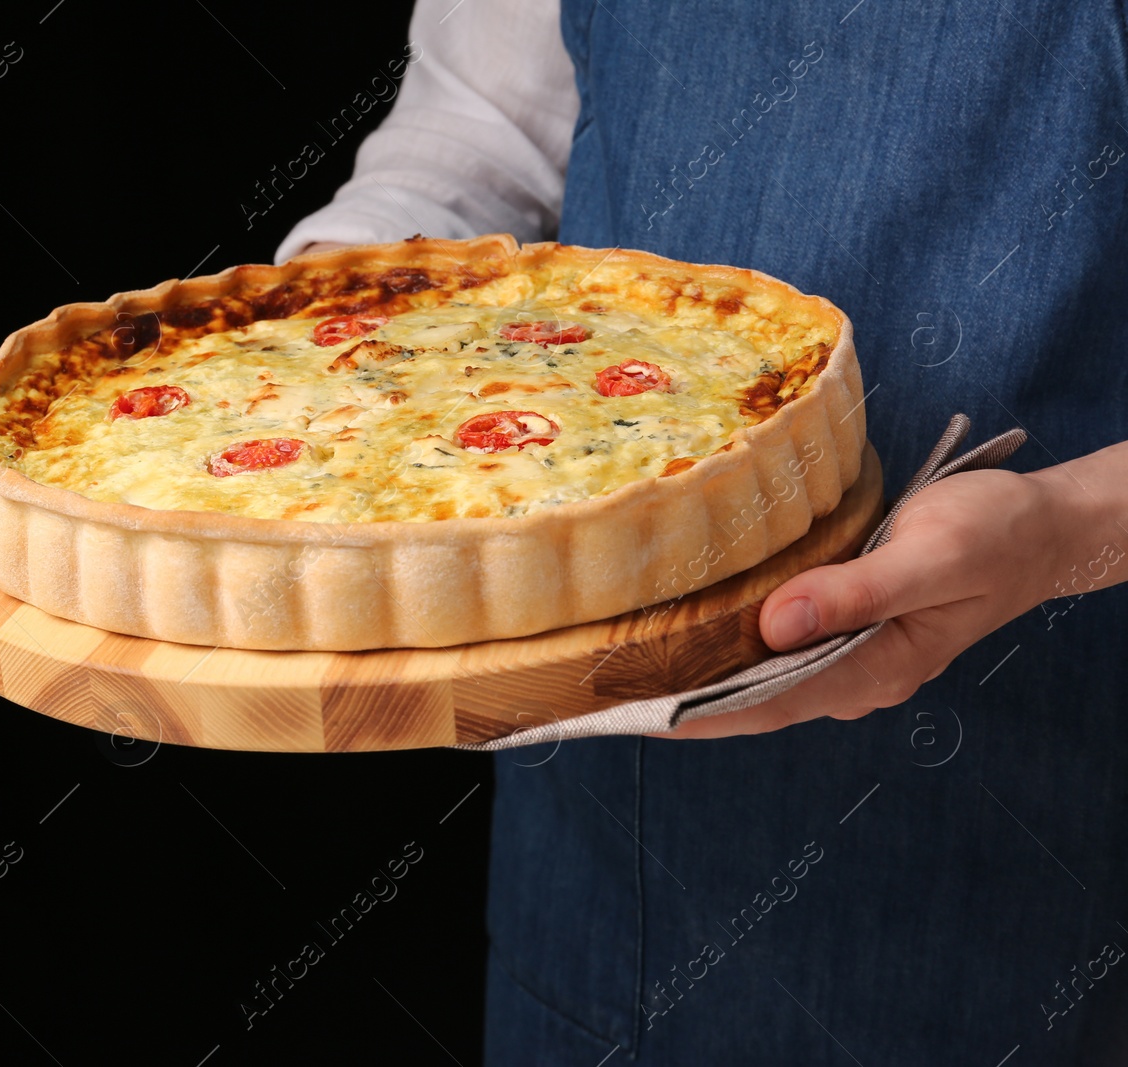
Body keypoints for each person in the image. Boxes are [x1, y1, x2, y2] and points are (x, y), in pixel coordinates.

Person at [277, 1, 1128, 1062]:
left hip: (1030, 802)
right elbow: (481, 130)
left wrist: (1070, 529)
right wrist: (308, 348)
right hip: (601, 844)